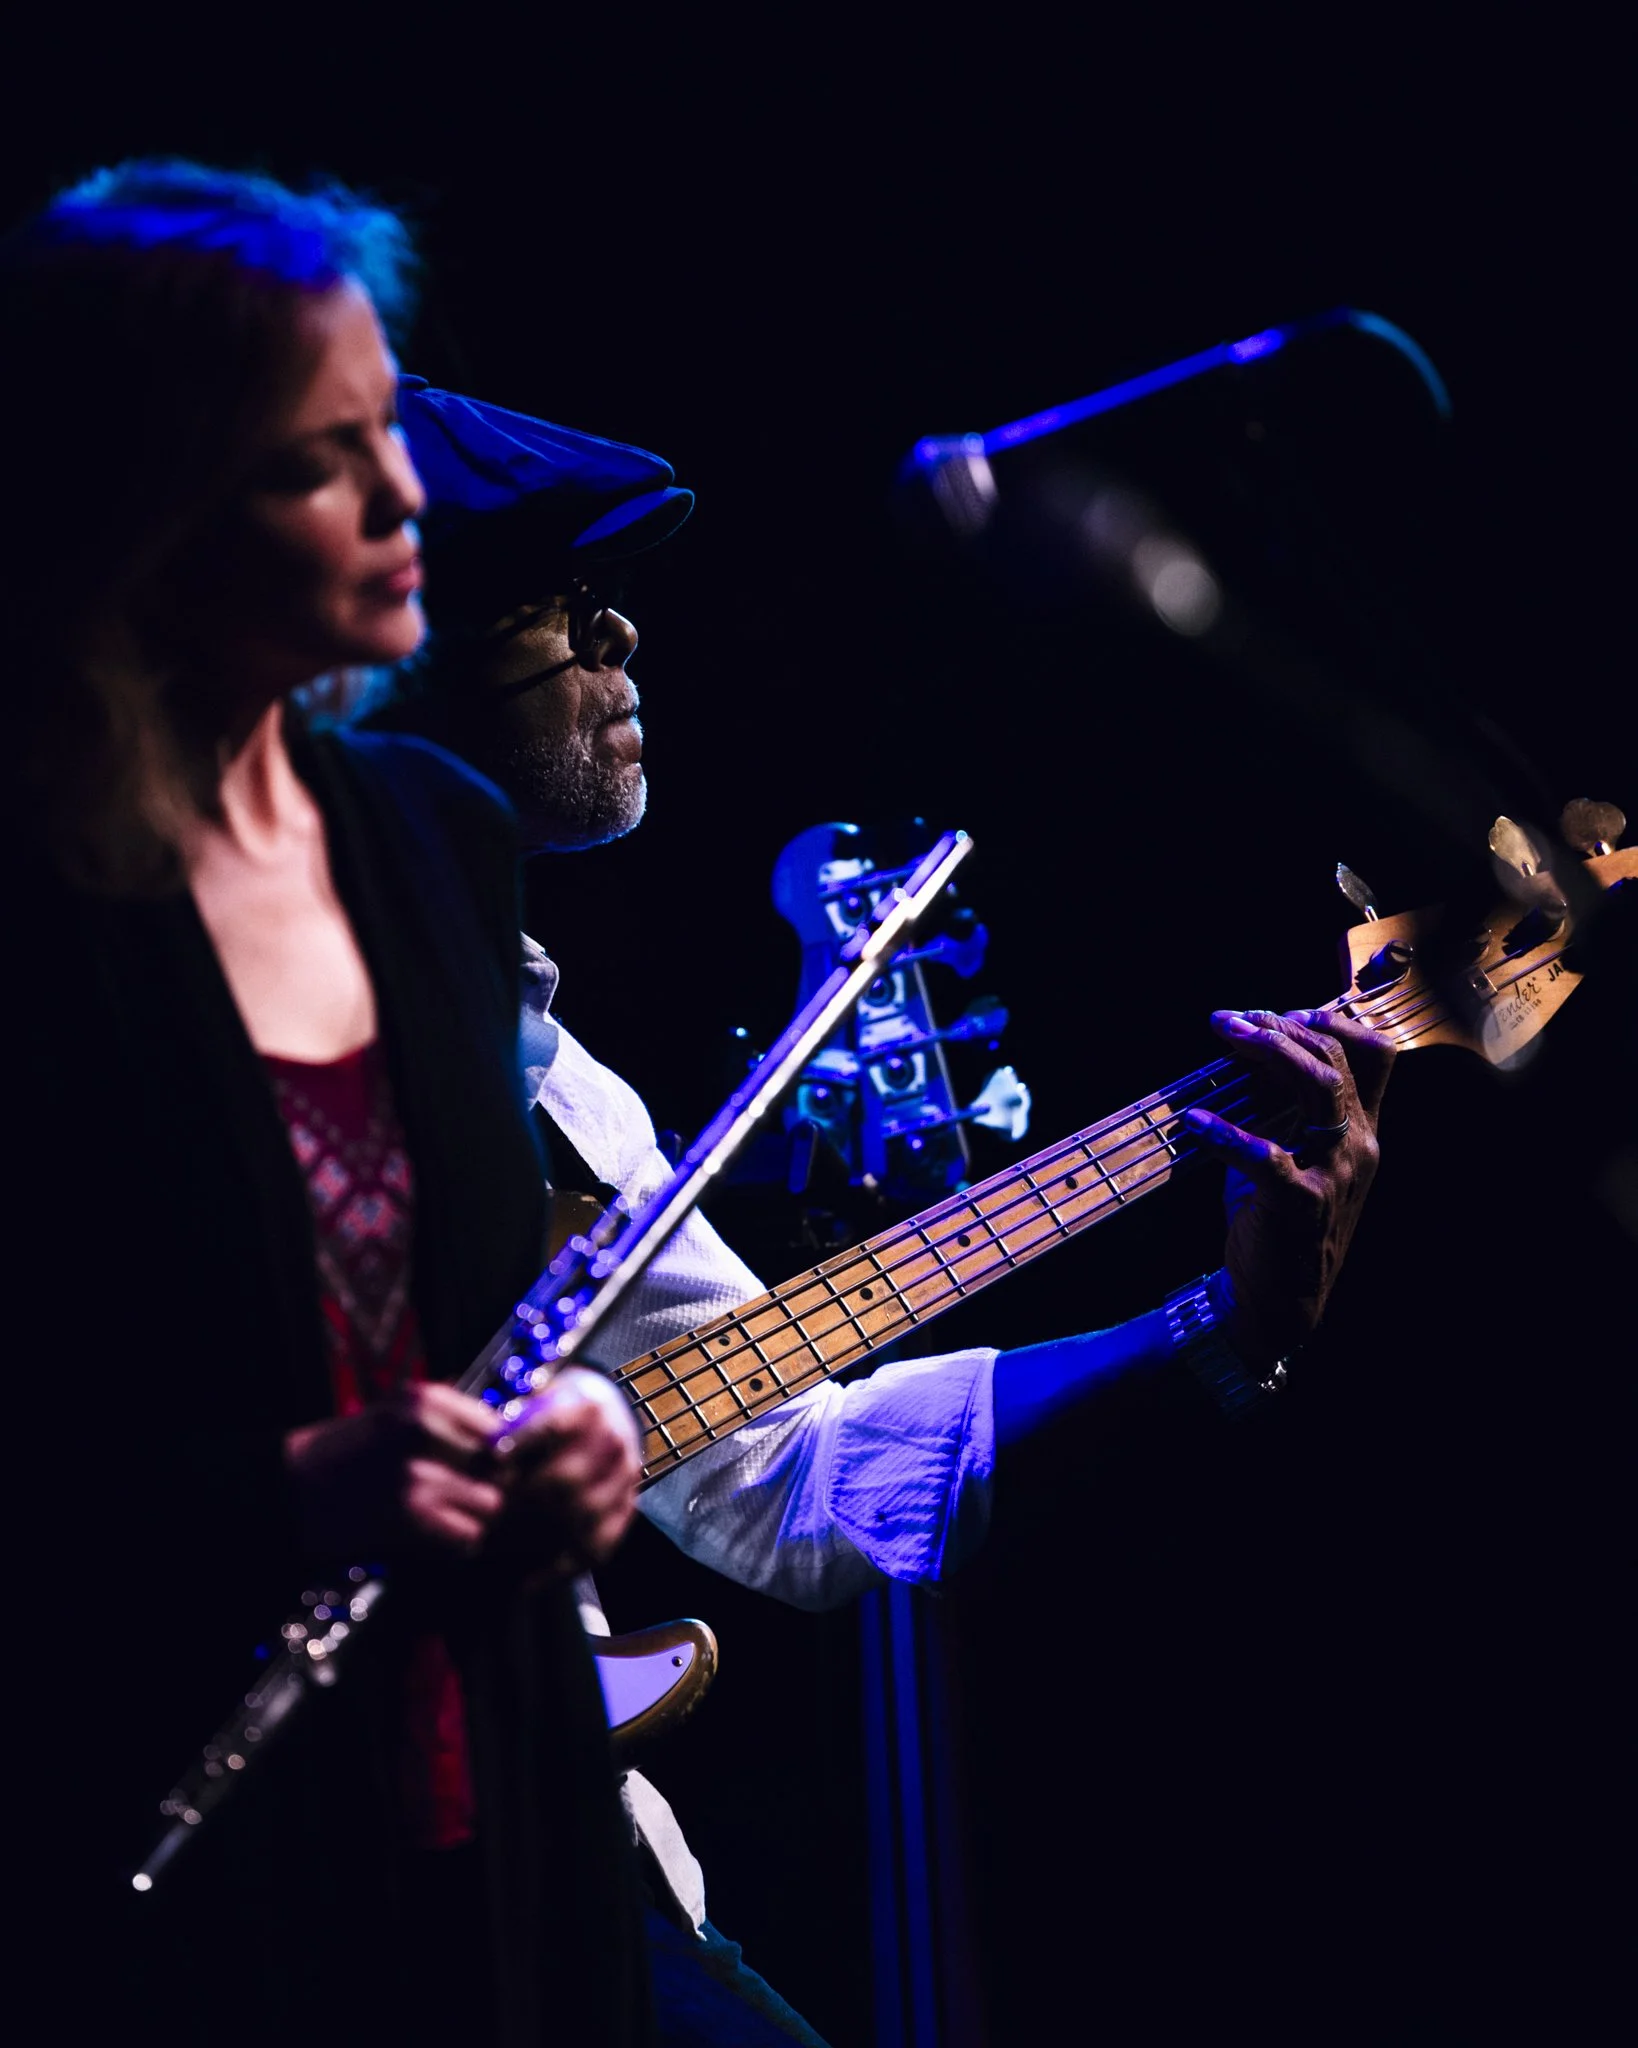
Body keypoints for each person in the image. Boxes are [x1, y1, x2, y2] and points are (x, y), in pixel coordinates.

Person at [363, 384, 1395, 2045]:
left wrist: (1226, 1320)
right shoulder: (188, 1015)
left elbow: (791, 1475)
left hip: (547, 1854)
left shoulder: (571, 1097)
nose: (618, 633)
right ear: (391, 660)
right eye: (556, 601)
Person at [3, 166, 651, 2045]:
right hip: (169, 1871)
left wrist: (586, 1431)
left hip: (490, 1825)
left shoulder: (436, 843)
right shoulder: (43, 897)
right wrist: (278, 1494)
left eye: (390, 432)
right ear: (145, 513)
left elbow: (465, 1327)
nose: (404, 501)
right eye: (320, 460)